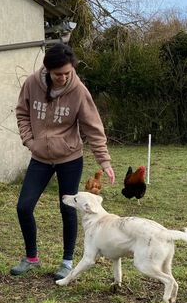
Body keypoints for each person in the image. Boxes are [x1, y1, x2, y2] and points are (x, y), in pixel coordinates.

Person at [12, 43, 116, 280]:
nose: (63, 78)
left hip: (70, 158)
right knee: (23, 206)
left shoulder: (79, 91)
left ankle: (67, 261)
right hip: (40, 157)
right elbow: (22, 113)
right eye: (58, 74)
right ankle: (31, 258)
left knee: (67, 208)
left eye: (68, 73)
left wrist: (105, 161)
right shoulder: (31, 84)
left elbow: (93, 128)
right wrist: (30, 141)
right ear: (47, 70)